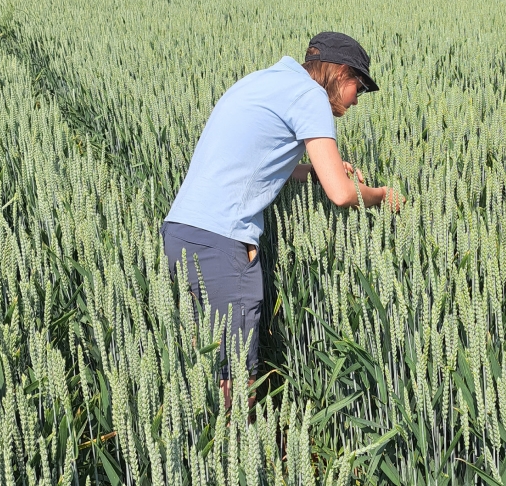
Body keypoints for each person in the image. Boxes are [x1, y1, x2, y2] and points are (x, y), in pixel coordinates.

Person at [161, 32, 401, 410]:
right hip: (221, 244)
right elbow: (341, 194)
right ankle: (238, 442)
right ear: (341, 73)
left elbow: (258, 158)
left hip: (181, 232)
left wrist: (315, 171)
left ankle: (210, 441)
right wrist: (383, 195)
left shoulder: (262, 81)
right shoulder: (310, 96)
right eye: (359, 86)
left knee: (204, 365)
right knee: (236, 378)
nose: (357, 99)